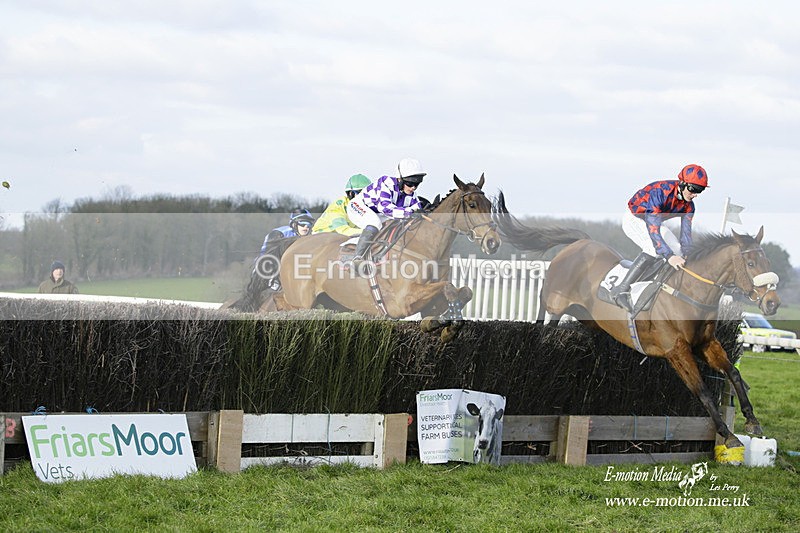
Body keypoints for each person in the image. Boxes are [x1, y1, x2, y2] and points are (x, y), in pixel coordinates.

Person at [611, 164, 708, 311]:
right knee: (653, 249)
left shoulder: (689, 207)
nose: (695, 194)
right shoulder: (660, 192)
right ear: (682, 183)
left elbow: (686, 235)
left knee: (678, 251)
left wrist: (688, 255)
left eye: (700, 190)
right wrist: (669, 256)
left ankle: (658, 285)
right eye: (693, 189)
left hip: (653, 223)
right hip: (634, 219)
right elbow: (653, 228)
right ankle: (621, 290)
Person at [346, 158, 425, 266]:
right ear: (400, 179)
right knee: (375, 223)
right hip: (359, 207)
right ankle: (357, 258)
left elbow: (417, 208)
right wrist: (410, 212)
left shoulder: (411, 193)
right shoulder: (385, 183)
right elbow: (387, 209)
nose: (413, 188)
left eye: (417, 184)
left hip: (379, 213)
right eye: (410, 184)